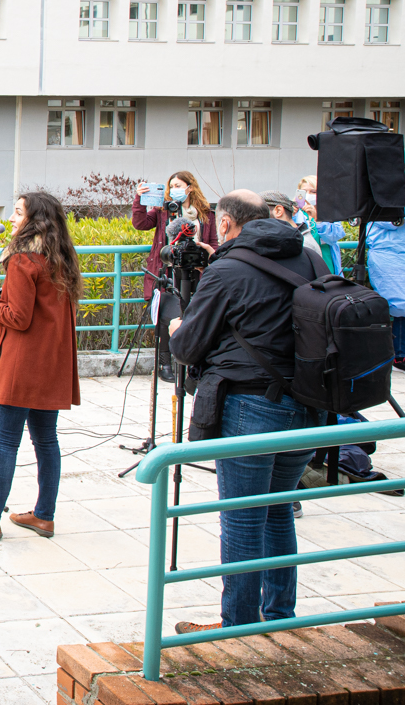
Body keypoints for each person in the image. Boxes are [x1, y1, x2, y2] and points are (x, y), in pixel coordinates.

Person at [167, 190, 325, 633]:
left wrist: (178, 324)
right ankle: (278, 617)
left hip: (249, 407)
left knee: (242, 519)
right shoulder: (310, 258)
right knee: (276, 510)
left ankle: (236, 629)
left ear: (227, 224)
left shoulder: (228, 269)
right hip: (308, 404)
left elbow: (187, 345)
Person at [0, 192, 82, 541]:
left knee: (6, 443)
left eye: (17, 212)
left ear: (34, 220)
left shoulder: (22, 259)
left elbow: (17, 317)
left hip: (23, 364)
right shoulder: (61, 258)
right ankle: (44, 516)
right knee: (46, 440)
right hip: (52, 363)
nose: (11, 219)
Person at [132, 171, 218, 381]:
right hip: (168, 272)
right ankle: (165, 363)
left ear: (190, 187)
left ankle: (190, 364)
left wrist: (207, 262)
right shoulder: (164, 211)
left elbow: (214, 242)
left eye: (179, 185)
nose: (174, 190)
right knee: (165, 315)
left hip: (196, 273)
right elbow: (140, 223)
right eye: (172, 186)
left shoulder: (206, 214)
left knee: (193, 316)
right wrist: (139, 199)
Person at [365, 218, 405, 368]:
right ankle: (399, 355)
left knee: (400, 307)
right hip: (387, 256)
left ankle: (399, 353)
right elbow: (391, 221)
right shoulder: (382, 206)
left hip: (396, 253)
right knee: (397, 306)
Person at [293, 175, 345, 277]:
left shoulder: (331, 212)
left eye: (313, 192)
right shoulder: (295, 213)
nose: (308, 195)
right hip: (303, 261)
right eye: (304, 191)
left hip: (326, 260)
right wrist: (291, 215)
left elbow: (334, 236)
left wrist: (318, 219)